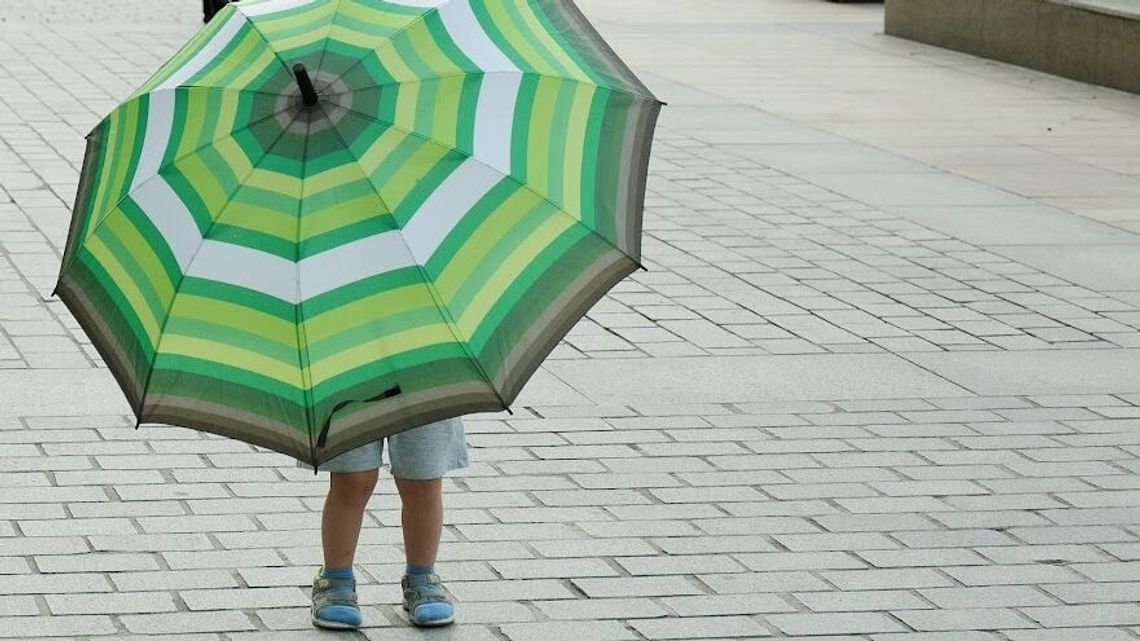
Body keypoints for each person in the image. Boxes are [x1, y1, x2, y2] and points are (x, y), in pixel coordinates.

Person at [304, 416, 469, 630]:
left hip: (422, 387)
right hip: (350, 387)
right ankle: (336, 578)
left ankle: (422, 575)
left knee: (423, 476)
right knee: (352, 478)